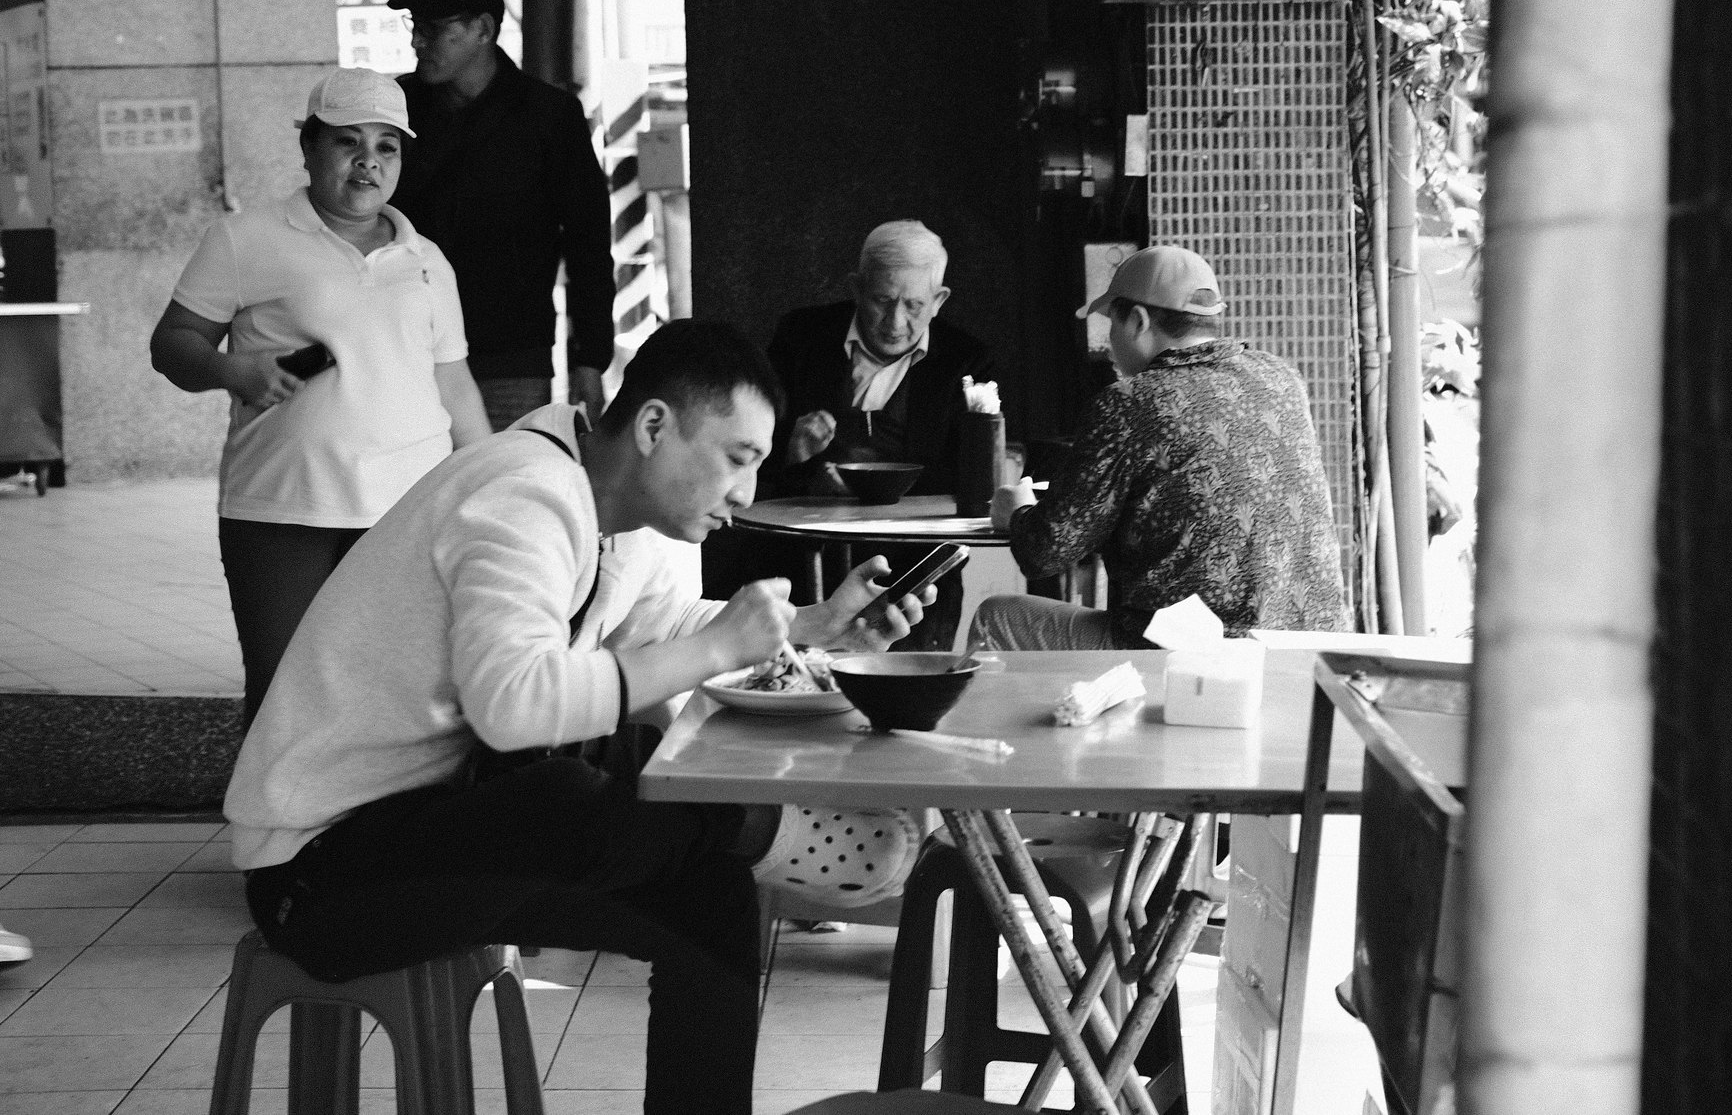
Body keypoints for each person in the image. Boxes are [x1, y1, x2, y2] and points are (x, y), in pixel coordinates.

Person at [224, 320, 934, 1115]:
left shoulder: (619, 523)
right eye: (738, 458)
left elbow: (667, 634)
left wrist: (810, 626)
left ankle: (740, 846)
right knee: (563, 787)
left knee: (711, 896)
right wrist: (721, 647)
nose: (745, 491)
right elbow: (512, 704)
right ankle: (760, 825)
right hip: (320, 872)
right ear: (654, 424)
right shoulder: (525, 492)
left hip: (433, 830)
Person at [151, 67, 491, 726]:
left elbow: (454, 386)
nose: (368, 161)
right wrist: (234, 371)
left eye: (387, 146)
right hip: (283, 507)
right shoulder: (245, 239)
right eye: (347, 142)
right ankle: (278, 828)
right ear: (309, 148)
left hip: (407, 513)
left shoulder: (427, 259)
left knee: (402, 693)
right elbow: (173, 344)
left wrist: (494, 483)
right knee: (284, 694)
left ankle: (383, 832)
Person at [966, 245, 1348, 651]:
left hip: (1197, 659)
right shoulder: (1280, 377)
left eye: (1110, 323)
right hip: (1313, 650)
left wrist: (1017, 513)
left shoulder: (1127, 402)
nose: (1109, 342)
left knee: (997, 618)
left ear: (1137, 320)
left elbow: (1046, 552)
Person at [732, 220, 997, 649]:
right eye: (881, 300)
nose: (895, 321)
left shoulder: (967, 364)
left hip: (912, 578)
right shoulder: (801, 339)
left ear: (939, 300)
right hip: (800, 568)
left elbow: (970, 480)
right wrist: (789, 449)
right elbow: (743, 454)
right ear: (857, 288)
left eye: (913, 305)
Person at [388, 0, 614, 428]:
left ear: (484, 30)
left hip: (510, 358)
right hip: (404, 349)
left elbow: (588, 244)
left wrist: (589, 360)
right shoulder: (393, 111)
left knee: (500, 491)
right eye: (415, 25)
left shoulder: (550, 117)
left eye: (433, 28)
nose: (417, 41)